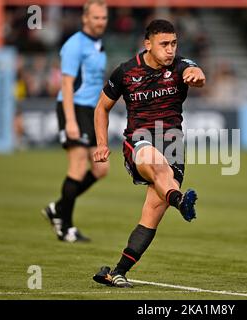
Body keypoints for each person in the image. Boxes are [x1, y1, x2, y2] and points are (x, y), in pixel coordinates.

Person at [92, 19, 206, 287]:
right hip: (139, 141)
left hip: (173, 146)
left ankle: (117, 272)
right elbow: (101, 108)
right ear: (148, 45)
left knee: (152, 212)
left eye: (174, 44)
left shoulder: (180, 66)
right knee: (155, 163)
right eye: (164, 44)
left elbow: (196, 72)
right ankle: (180, 200)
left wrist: (198, 75)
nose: (170, 50)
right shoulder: (125, 72)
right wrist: (101, 143)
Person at [41, 0, 109, 243]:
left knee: (101, 169)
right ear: (85, 18)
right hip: (74, 109)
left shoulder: (98, 45)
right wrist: (70, 121)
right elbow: (67, 85)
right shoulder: (74, 45)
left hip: (90, 112)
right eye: (96, 17)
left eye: (103, 17)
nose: (100, 21)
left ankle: (57, 208)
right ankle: (65, 228)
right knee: (79, 167)